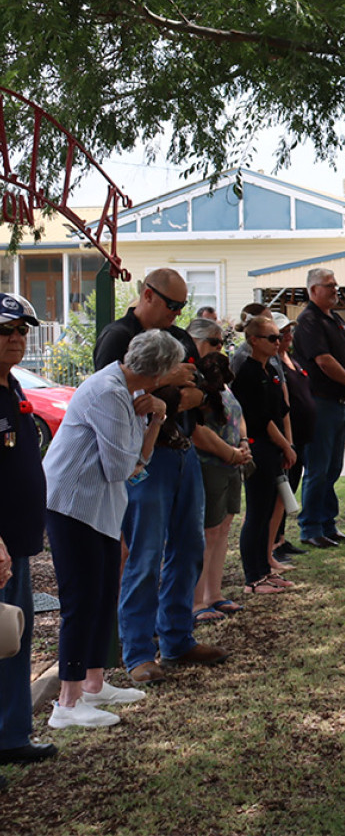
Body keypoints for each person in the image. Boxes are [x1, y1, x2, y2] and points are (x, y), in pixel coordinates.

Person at [93, 268, 227, 685]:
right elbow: (112, 393)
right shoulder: (118, 336)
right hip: (145, 460)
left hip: (184, 451)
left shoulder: (180, 337)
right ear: (147, 295)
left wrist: (193, 394)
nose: (176, 314)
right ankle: (137, 652)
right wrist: (168, 382)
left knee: (189, 548)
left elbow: (204, 384)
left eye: (182, 307)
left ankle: (177, 638)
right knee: (145, 554)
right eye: (171, 306)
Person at [44, 329, 178, 727]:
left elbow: (139, 460)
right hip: (72, 506)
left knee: (104, 595)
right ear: (157, 374)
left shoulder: (128, 392)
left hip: (100, 507)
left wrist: (157, 418)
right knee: (81, 601)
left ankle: (94, 683)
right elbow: (124, 467)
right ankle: (66, 704)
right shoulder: (108, 392)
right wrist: (144, 434)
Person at [0, 294, 58, 763]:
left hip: (18, 545)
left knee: (12, 642)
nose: (16, 339)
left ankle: (12, 737)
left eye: (22, 331)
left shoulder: (13, 386)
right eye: (6, 331)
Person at [292, 268, 345, 548]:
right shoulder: (309, 320)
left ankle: (328, 524)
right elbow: (323, 360)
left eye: (336, 284)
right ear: (313, 291)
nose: (336, 290)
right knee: (318, 468)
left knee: (333, 467)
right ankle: (310, 528)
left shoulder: (335, 319)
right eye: (329, 286)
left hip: (339, 403)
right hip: (319, 402)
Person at [188, 333, 251, 623]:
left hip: (231, 465)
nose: (219, 348)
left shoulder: (225, 388)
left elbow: (238, 416)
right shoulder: (198, 388)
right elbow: (199, 432)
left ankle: (214, 594)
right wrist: (230, 453)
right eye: (212, 342)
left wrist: (244, 442)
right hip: (210, 466)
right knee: (207, 533)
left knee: (223, 529)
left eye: (222, 343)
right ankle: (197, 600)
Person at [232, 314, 297, 593]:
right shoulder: (247, 373)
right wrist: (286, 445)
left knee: (270, 510)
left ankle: (265, 568)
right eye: (271, 338)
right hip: (258, 446)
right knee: (257, 513)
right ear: (253, 340)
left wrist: (285, 445)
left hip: (272, 447)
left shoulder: (268, 370)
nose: (277, 342)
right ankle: (253, 577)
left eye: (278, 337)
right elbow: (261, 419)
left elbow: (280, 410)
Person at [274, 317, 314, 562]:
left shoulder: (293, 359)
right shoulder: (272, 363)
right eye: (282, 333)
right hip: (284, 438)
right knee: (279, 491)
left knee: (291, 487)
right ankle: (273, 543)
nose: (288, 336)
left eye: (289, 331)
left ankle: (281, 537)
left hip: (301, 435)